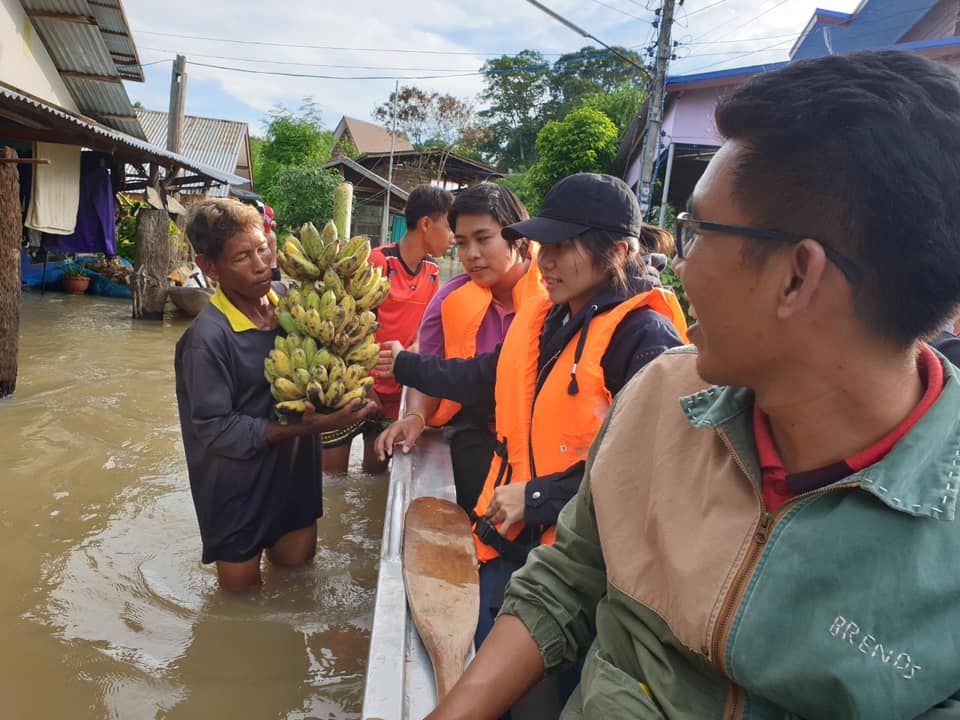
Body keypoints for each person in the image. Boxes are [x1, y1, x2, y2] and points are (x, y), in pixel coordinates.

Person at [426, 51, 960, 720]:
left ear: (797, 276)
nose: (676, 263)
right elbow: (566, 580)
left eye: (697, 232)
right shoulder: (660, 398)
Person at [383, 174, 687, 680]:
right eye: (543, 246)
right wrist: (406, 368)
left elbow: (655, 474)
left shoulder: (645, 339)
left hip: (584, 566)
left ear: (617, 249)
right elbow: (486, 378)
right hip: (515, 538)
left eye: (562, 247)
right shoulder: (553, 317)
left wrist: (541, 496)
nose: (544, 262)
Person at [174, 198, 378, 592]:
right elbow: (215, 430)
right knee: (239, 607)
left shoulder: (294, 304)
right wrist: (305, 428)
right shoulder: (207, 339)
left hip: (294, 476)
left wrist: (359, 388)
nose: (261, 264)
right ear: (209, 267)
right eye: (242, 257)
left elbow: (337, 357)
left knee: (298, 586)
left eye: (263, 248)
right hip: (235, 490)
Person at [374, 182, 547, 513]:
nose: (471, 254)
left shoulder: (553, 293)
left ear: (518, 238)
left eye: (484, 239)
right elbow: (430, 363)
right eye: (462, 243)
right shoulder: (449, 299)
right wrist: (416, 415)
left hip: (539, 448)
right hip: (476, 438)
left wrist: (405, 364)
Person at [320, 185, 454, 474]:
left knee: (374, 477)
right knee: (332, 485)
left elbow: (424, 334)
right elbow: (345, 330)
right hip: (352, 388)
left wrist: (409, 364)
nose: (454, 237)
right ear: (426, 224)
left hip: (395, 395)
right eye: (450, 226)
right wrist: (367, 387)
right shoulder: (378, 262)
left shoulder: (432, 272)